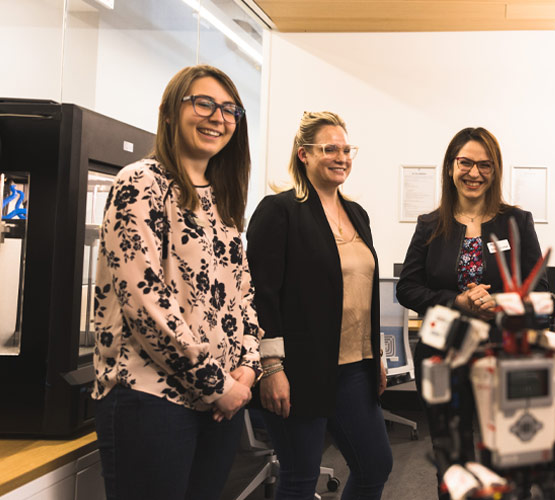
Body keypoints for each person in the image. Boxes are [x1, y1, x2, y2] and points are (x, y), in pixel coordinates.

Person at [92, 65, 260, 500]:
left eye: (229, 109)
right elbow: (145, 302)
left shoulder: (222, 198)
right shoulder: (140, 182)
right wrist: (218, 385)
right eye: (203, 103)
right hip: (153, 399)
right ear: (170, 112)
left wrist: (248, 365)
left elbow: (240, 295)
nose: (217, 117)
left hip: (221, 400)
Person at [246, 111, 392, 500]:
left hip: (356, 368)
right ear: (303, 154)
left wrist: (374, 352)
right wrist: (271, 367)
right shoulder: (279, 211)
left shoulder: (357, 214)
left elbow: (361, 292)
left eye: (346, 149)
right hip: (299, 368)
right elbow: (262, 294)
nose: (341, 157)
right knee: (299, 476)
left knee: (375, 465)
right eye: (329, 148)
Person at [396, 127, 547, 497]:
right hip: (443, 355)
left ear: (495, 171)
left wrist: (501, 303)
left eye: (485, 165)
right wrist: (456, 301)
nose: (474, 173)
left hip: (505, 356)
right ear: (451, 167)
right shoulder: (431, 225)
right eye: (466, 162)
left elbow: (540, 293)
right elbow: (407, 288)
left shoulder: (517, 222)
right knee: (452, 460)